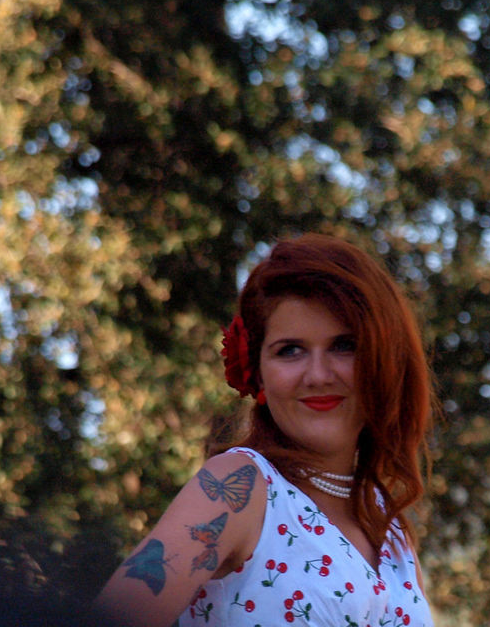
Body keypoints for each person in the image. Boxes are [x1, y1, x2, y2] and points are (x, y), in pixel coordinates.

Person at [94, 233, 437, 627]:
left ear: (384, 361)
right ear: (255, 370)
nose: (318, 375)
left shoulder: (389, 527)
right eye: (290, 350)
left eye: (345, 346)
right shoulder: (240, 488)